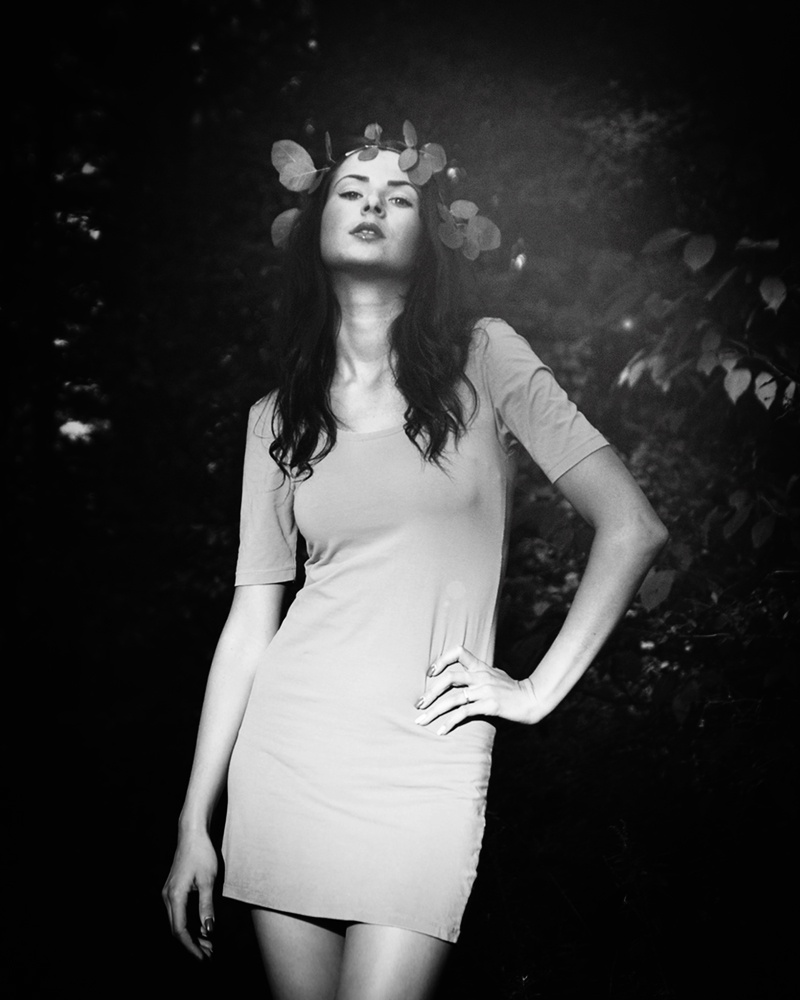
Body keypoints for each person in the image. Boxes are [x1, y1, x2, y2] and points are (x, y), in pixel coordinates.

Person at [162, 122, 668, 1000]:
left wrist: (534, 692)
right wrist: (191, 823)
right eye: (352, 191)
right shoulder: (273, 419)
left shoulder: (486, 354)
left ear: (427, 238)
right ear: (316, 228)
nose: (374, 204)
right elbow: (250, 625)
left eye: (398, 197)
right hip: (288, 757)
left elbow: (631, 526)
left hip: (427, 755)